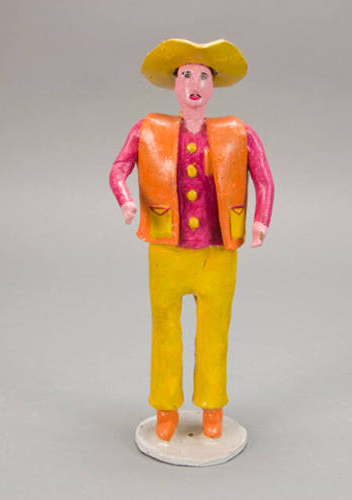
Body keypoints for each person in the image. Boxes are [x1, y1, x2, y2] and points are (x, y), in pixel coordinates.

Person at [109, 39, 274, 441]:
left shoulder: (239, 133)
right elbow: (119, 168)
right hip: (167, 249)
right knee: (164, 329)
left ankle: (212, 406)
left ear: (213, 86)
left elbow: (264, 179)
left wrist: (260, 221)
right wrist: (126, 200)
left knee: (214, 332)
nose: (194, 84)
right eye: (186, 75)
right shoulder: (148, 130)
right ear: (174, 84)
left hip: (218, 251)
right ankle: (165, 407)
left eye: (202, 76)